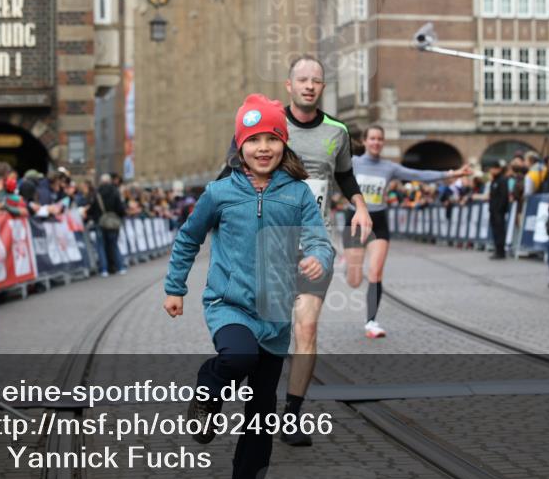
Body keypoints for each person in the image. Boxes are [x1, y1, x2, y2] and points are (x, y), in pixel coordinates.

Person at [164, 95, 333, 479]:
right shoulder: (219, 193)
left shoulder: (297, 194)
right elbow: (188, 238)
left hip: (274, 312)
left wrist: (318, 258)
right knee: (236, 357)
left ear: (283, 144)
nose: (263, 147)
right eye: (253, 139)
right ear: (239, 146)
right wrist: (175, 287)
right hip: (229, 303)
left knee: (261, 413)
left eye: (271, 138)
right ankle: (208, 387)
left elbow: (318, 238)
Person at [217, 55, 371, 448]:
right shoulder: (268, 124)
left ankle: (292, 416)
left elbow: (344, 174)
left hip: (314, 243)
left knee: (306, 327)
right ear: (289, 85)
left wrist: (361, 205)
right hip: (270, 245)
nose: (309, 86)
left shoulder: (337, 131)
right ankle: (258, 408)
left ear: (323, 87)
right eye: (302, 79)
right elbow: (229, 174)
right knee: (267, 334)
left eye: (316, 81)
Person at [343, 125, 472, 338]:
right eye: (372, 138)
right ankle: (350, 267)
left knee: (375, 272)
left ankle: (371, 322)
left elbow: (420, 175)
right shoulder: (353, 163)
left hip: (379, 221)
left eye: (379, 139)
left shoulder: (389, 167)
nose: (376, 142)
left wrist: (453, 173)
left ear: (382, 142)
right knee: (354, 279)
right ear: (365, 141)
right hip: (355, 221)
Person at [87, 173, 127, 276]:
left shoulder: (98, 193)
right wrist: (119, 216)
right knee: (114, 245)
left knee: (101, 246)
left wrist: (91, 215)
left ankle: (104, 269)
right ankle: (120, 267)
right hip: (113, 222)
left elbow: (92, 208)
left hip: (100, 222)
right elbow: (121, 208)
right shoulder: (115, 192)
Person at [486, 159, 509, 259]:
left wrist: (499, 209)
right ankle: (497, 249)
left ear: (498, 169)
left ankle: (501, 251)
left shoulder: (502, 180)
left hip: (499, 211)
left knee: (500, 230)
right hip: (493, 210)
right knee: (495, 230)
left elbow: (504, 196)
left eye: (493, 168)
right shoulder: (494, 181)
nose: (491, 171)